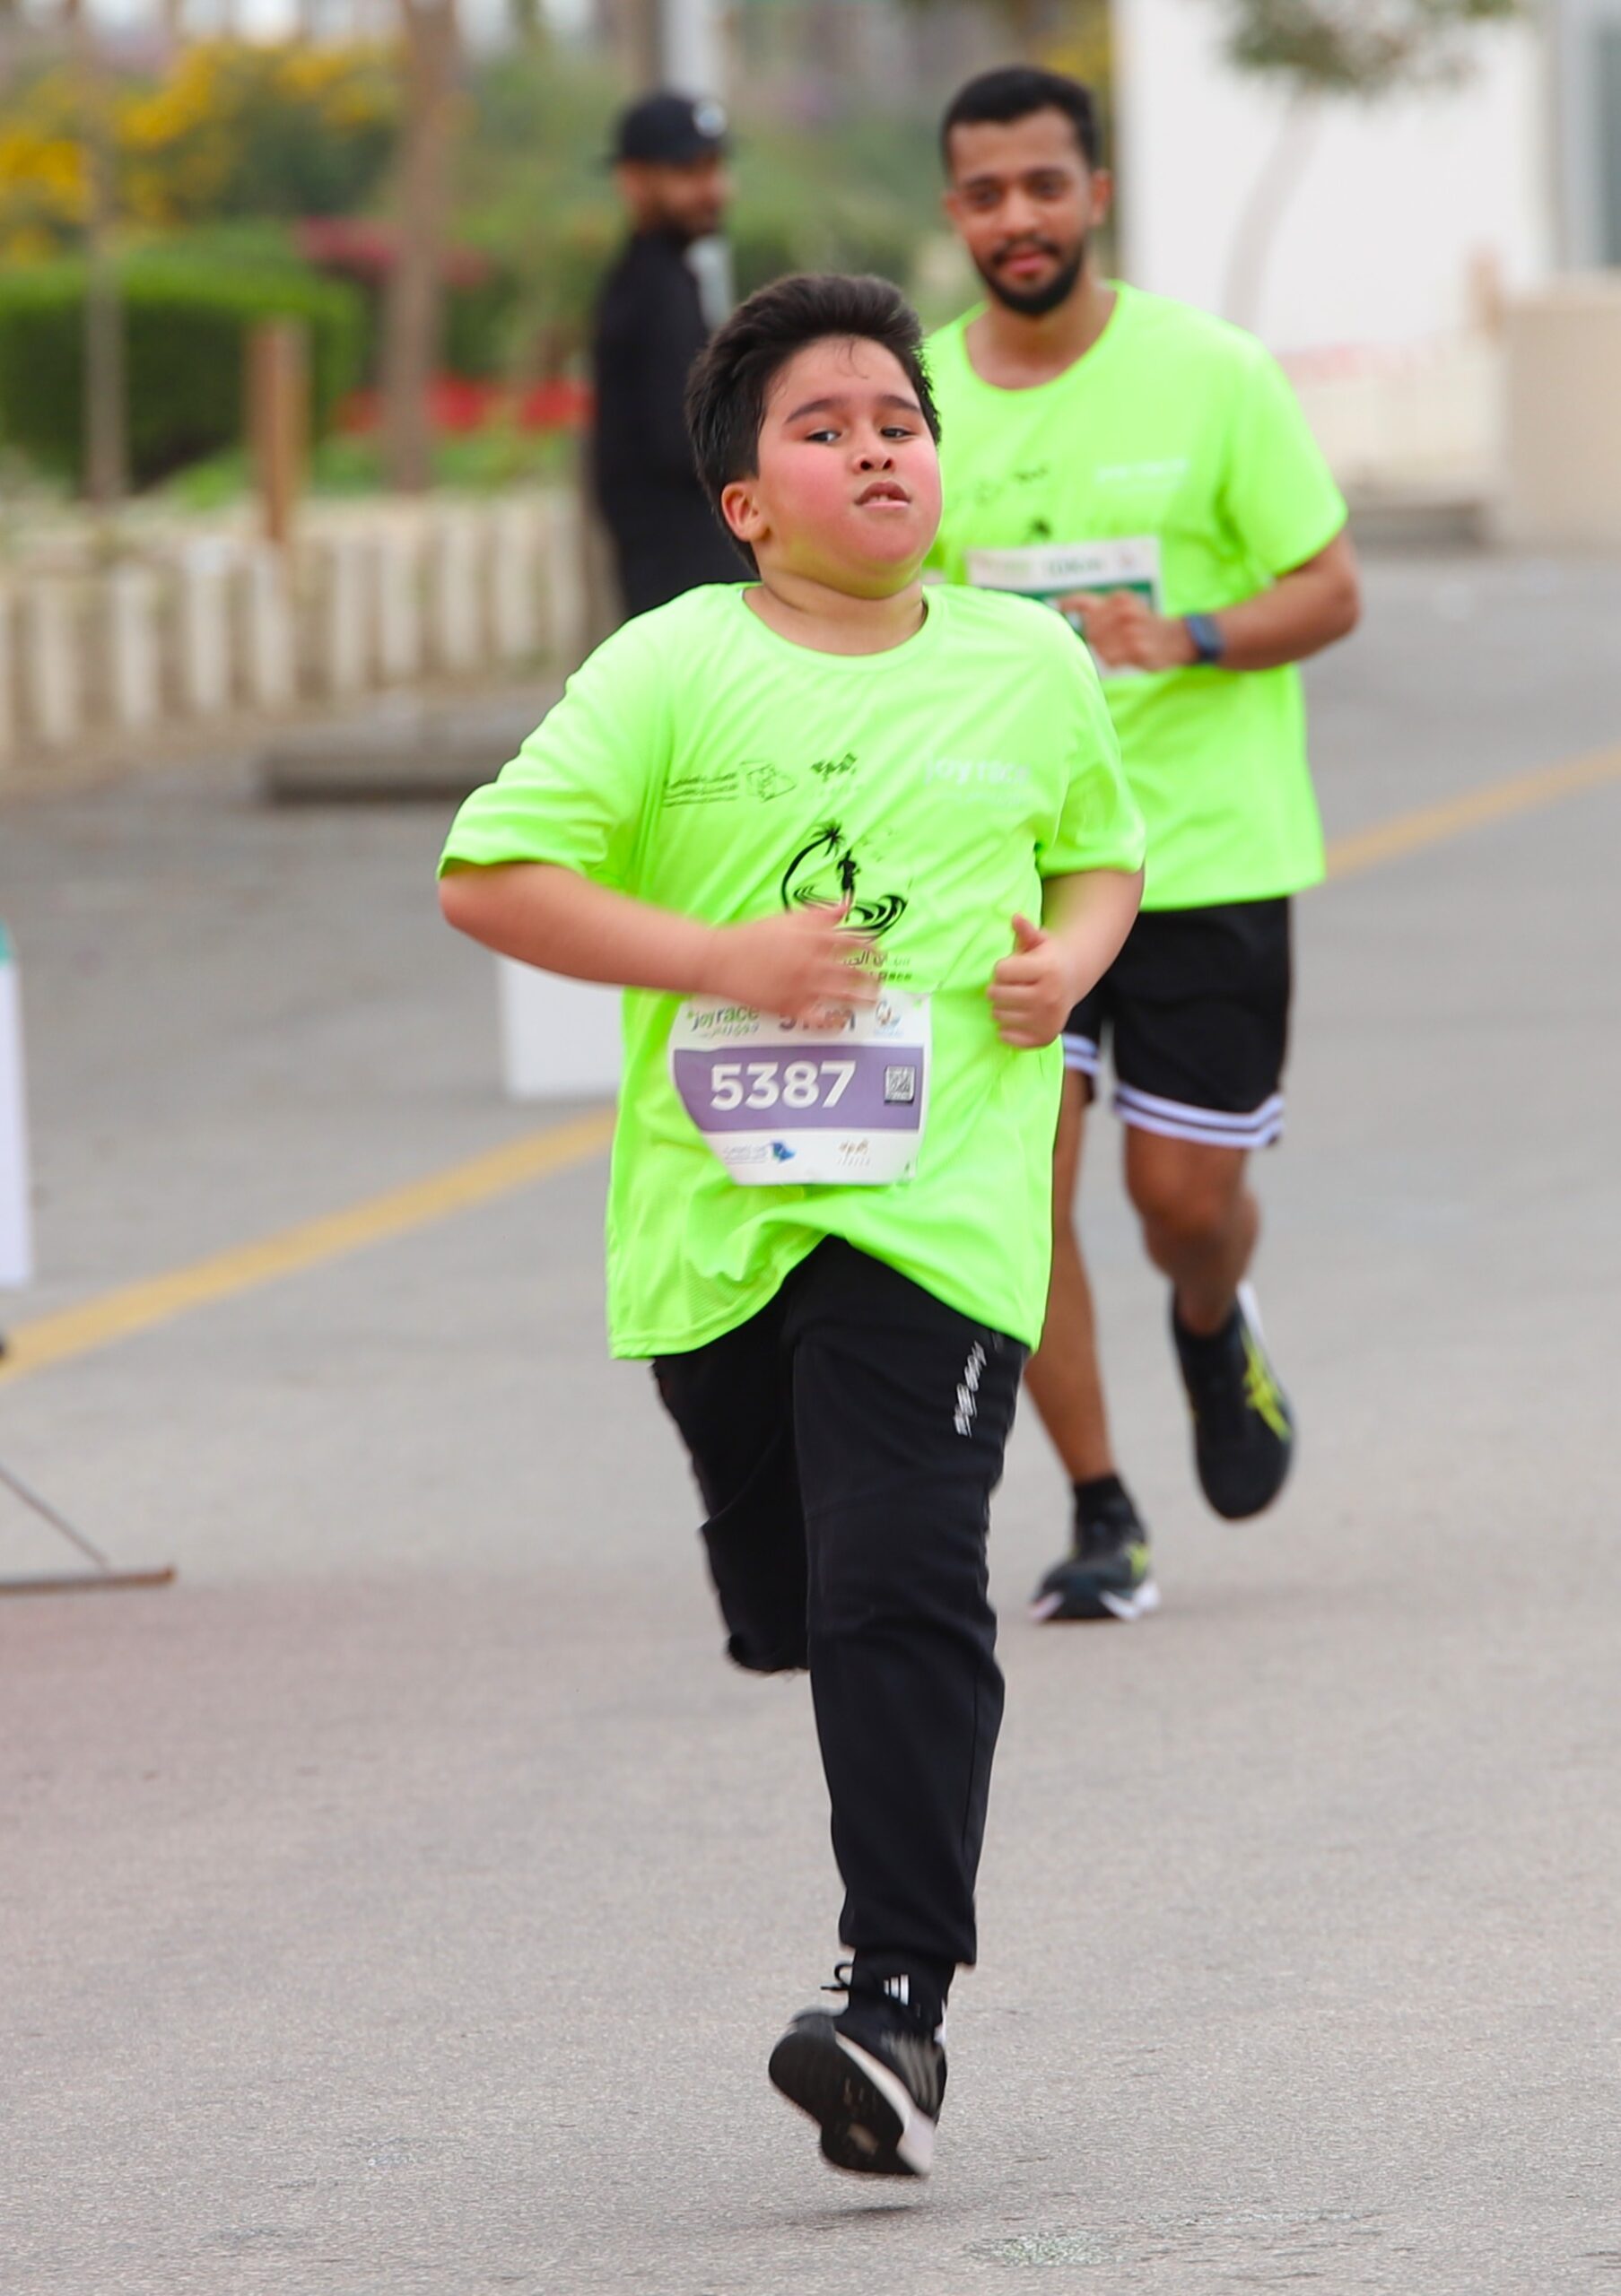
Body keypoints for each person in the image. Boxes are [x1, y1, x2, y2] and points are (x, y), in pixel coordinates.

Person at [439, 273, 1145, 2178]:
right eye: (823, 430)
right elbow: (488, 875)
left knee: (900, 1577)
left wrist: (1068, 963)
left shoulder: (1026, 662)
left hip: (939, 1214)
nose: (876, 450)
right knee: (796, 1599)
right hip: (716, 1229)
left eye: (899, 422)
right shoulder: (668, 666)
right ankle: (810, 1620)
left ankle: (892, 2003)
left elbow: (1102, 851)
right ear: (745, 501)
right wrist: (722, 958)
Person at [928, 66, 1362, 1624]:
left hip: (1202, 856)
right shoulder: (918, 399)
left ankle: (1208, 1313)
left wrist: (1186, 634)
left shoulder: (1211, 374)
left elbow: (1327, 588)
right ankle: (1098, 1508)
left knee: (1177, 1201)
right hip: (1008, 872)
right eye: (985, 192)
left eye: (1043, 185)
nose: (1017, 218)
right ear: (953, 211)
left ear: (1094, 195)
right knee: (1016, 1202)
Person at [590, 90, 745, 616]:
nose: (713, 190)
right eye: (689, 172)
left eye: (716, 168)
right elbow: (682, 439)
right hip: (683, 574)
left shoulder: (663, 278)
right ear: (632, 181)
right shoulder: (653, 290)